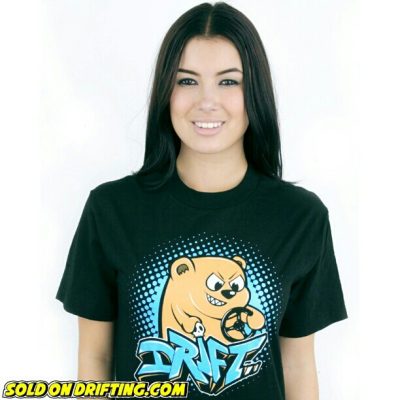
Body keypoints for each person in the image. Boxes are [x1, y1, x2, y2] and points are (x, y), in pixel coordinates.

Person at [56, 2, 348, 399]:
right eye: (187, 81)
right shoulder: (111, 210)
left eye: (228, 81)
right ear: (166, 91)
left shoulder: (301, 218)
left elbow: (297, 365)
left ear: (255, 92)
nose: (206, 101)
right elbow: (96, 357)